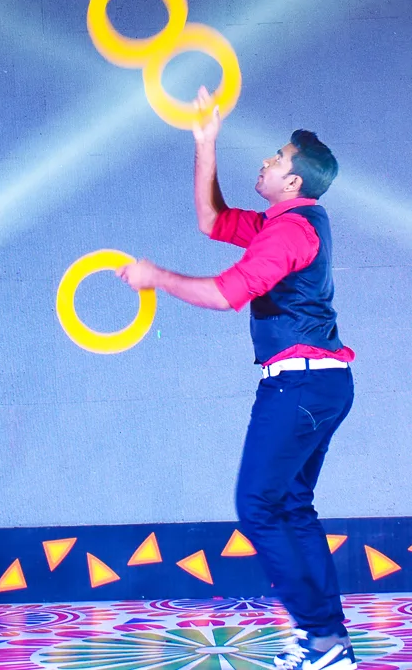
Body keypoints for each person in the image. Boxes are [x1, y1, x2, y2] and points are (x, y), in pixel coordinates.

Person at [117, 86, 356, 670]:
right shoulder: (285, 221)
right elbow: (211, 220)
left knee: (257, 505)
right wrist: (206, 142)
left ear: (293, 181)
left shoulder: (291, 232)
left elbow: (226, 294)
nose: (267, 162)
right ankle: (330, 644)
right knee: (293, 507)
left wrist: (156, 277)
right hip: (315, 384)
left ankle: (323, 639)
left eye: (276, 159)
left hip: (300, 385)